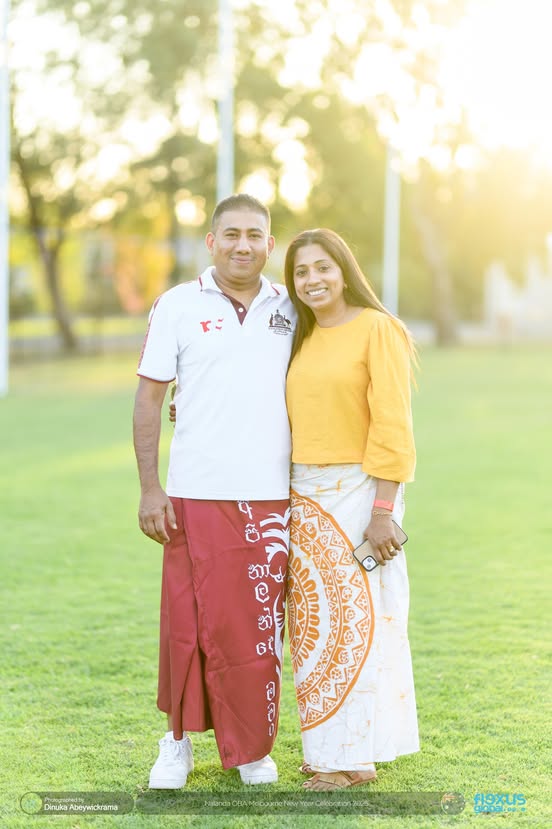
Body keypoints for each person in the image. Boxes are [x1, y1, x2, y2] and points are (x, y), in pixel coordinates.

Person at [133, 194, 296, 788]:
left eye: (255, 235)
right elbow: (151, 398)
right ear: (211, 240)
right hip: (194, 494)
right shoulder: (176, 305)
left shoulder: (291, 308)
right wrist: (152, 489)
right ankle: (175, 743)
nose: (243, 245)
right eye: (231, 234)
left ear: (270, 244)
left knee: (253, 628)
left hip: (271, 495)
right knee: (188, 622)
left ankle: (251, 747)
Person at [284, 228, 419, 790]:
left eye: (323, 267)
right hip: (302, 497)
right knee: (314, 628)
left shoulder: (377, 328)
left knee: (356, 626)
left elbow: (392, 422)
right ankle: (332, 752)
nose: (313, 280)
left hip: (362, 494)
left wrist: (384, 510)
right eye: (301, 272)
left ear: (345, 269)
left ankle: (351, 760)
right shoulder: (301, 335)